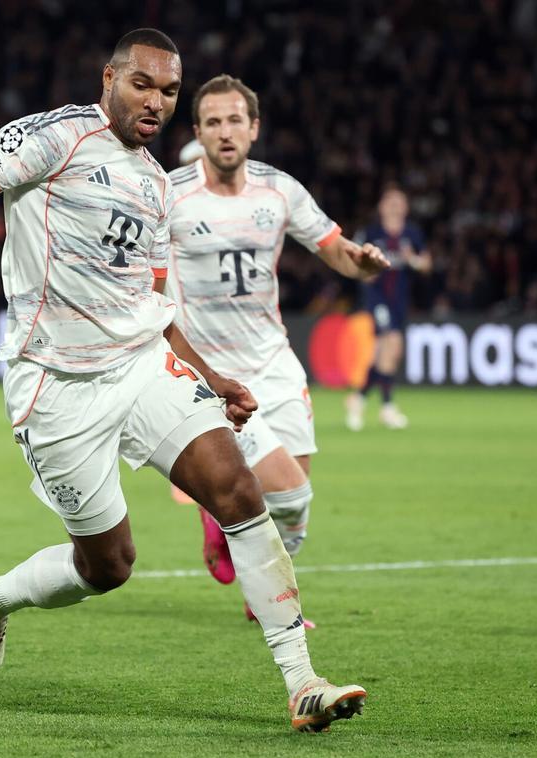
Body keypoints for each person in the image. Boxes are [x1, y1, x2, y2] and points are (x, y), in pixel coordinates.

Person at [0, 30, 372, 733]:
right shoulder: (60, 136)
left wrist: (214, 378)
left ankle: (303, 681)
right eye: (143, 84)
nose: (155, 101)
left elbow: (153, 304)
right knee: (109, 565)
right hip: (55, 385)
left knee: (237, 487)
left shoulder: (154, 183)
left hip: (142, 363)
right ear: (110, 79)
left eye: (169, 91)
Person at [160, 74, 389, 626]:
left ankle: (253, 586)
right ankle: (263, 586)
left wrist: (361, 262)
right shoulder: (170, 195)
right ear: (198, 132)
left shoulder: (279, 190)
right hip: (208, 370)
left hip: (273, 362)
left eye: (235, 120)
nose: (225, 131)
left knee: (296, 509)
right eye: (212, 122)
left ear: (254, 128)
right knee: (287, 492)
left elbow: (330, 245)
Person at [346, 186, 431, 430]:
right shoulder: (372, 232)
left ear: (405, 207)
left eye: (399, 201)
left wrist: (412, 259)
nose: (394, 205)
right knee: (389, 342)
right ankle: (386, 406)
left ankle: (359, 399)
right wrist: (364, 272)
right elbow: (353, 259)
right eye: (390, 201)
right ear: (381, 206)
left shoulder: (412, 233)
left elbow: (426, 264)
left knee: (389, 352)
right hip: (377, 297)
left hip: (400, 299)